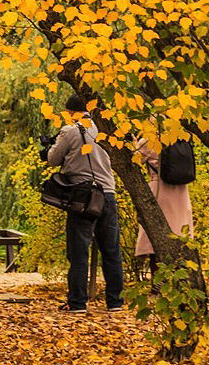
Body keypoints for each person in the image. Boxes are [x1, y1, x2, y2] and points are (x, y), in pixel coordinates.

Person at [44, 95, 123, 313]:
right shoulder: (103, 129)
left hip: (83, 196)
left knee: (79, 251)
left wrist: (49, 146)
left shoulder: (69, 130)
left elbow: (53, 159)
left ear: (70, 112)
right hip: (107, 193)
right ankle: (115, 302)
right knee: (112, 251)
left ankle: (77, 302)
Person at [134, 136, 194, 277]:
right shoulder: (180, 137)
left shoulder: (150, 140)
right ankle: (180, 285)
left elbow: (134, 159)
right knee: (181, 239)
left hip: (160, 190)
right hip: (181, 194)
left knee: (156, 240)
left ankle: (158, 287)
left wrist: (134, 143)